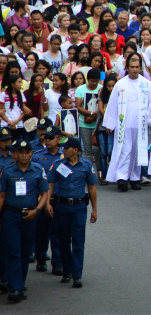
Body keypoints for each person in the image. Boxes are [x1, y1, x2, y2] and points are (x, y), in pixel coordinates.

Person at [0, 139, 50, 303]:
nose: (23, 155)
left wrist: (37, 210)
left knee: (25, 251)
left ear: (31, 154)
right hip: (11, 215)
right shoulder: (7, 171)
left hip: (30, 215)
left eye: (26, 152)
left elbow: (44, 193)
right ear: (15, 154)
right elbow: (2, 196)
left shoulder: (38, 170)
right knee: (13, 250)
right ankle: (15, 288)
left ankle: (19, 283)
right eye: (20, 152)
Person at [102, 54, 151, 192]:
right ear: (126, 68)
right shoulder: (120, 84)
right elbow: (113, 104)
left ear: (140, 68)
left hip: (141, 123)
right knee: (124, 150)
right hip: (124, 123)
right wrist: (110, 123)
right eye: (131, 67)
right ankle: (122, 177)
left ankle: (134, 177)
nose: (134, 70)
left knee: (137, 150)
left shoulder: (146, 84)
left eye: (137, 67)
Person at [46, 137, 98, 289]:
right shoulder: (58, 165)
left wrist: (94, 209)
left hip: (79, 207)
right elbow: (50, 184)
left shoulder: (86, 166)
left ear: (75, 150)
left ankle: (77, 275)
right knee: (63, 241)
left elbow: (92, 188)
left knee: (78, 242)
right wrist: (48, 202)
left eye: (66, 148)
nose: (63, 150)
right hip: (61, 206)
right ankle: (66, 271)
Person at [32, 126, 63, 274]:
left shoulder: (65, 156)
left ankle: (57, 263)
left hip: (59, 197)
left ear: (59, 139)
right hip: (42, 198)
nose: (47, 140)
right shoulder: (37, 156)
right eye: (46, 138)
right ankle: (41, 258)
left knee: (57, 232)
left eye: (51, 138)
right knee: (41, 232)